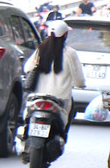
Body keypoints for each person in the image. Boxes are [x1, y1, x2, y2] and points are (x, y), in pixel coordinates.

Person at [22, 20, 85, 151]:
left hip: (37, 96)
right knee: (67, 118)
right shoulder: (70, 53)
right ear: (65, 35)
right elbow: (79, 80)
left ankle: (24, 137)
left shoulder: (40, 50)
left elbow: (27, 68)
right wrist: (81, 85)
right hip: (60, 98)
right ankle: (62, 138)